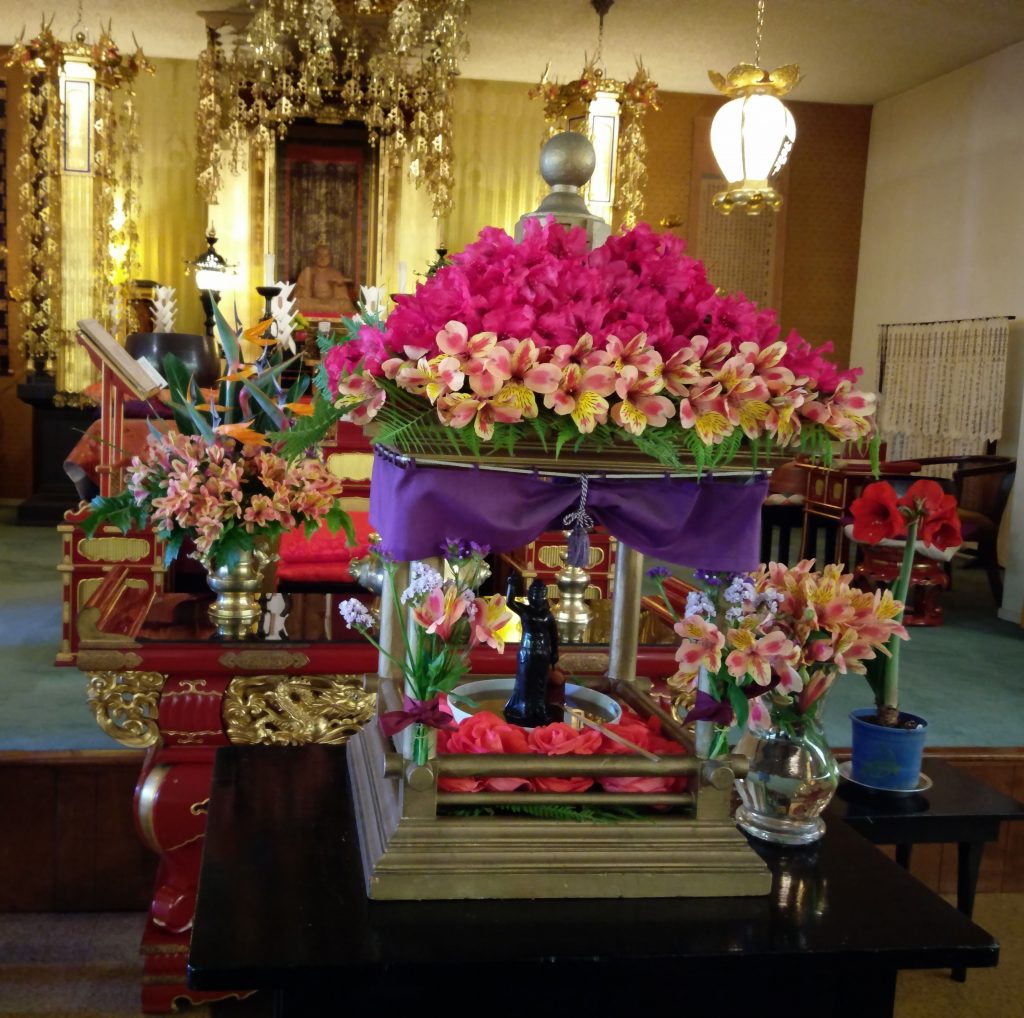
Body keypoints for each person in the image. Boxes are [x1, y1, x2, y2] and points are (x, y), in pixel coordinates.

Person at [503, 576, 562, 728]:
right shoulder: (525, 611)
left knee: (540, 681)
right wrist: (511, 585)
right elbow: (509, 602)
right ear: (530, 595)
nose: (538, 597)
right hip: (527, 652)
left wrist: (555, 653)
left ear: (545, 596)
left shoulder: (547, 615)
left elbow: (554, 636)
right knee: (525, 679)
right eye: (535, 593)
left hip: (542, 653)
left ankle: (539, 708)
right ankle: (523, 707)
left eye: (541, 594)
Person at [294, 244, 356, 317]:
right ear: (314, 257)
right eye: (319, 255)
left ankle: (322, 307)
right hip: (313, 302)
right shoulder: (307, 272)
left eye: (326, 255)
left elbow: (343, 299)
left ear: (331, 258)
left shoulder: (335, 273)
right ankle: (321, 307)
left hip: (330, 303)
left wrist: (338, 285)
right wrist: (307, 284)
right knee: (298, 303)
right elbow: (299, 296)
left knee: (346, 305)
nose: (322, 258)